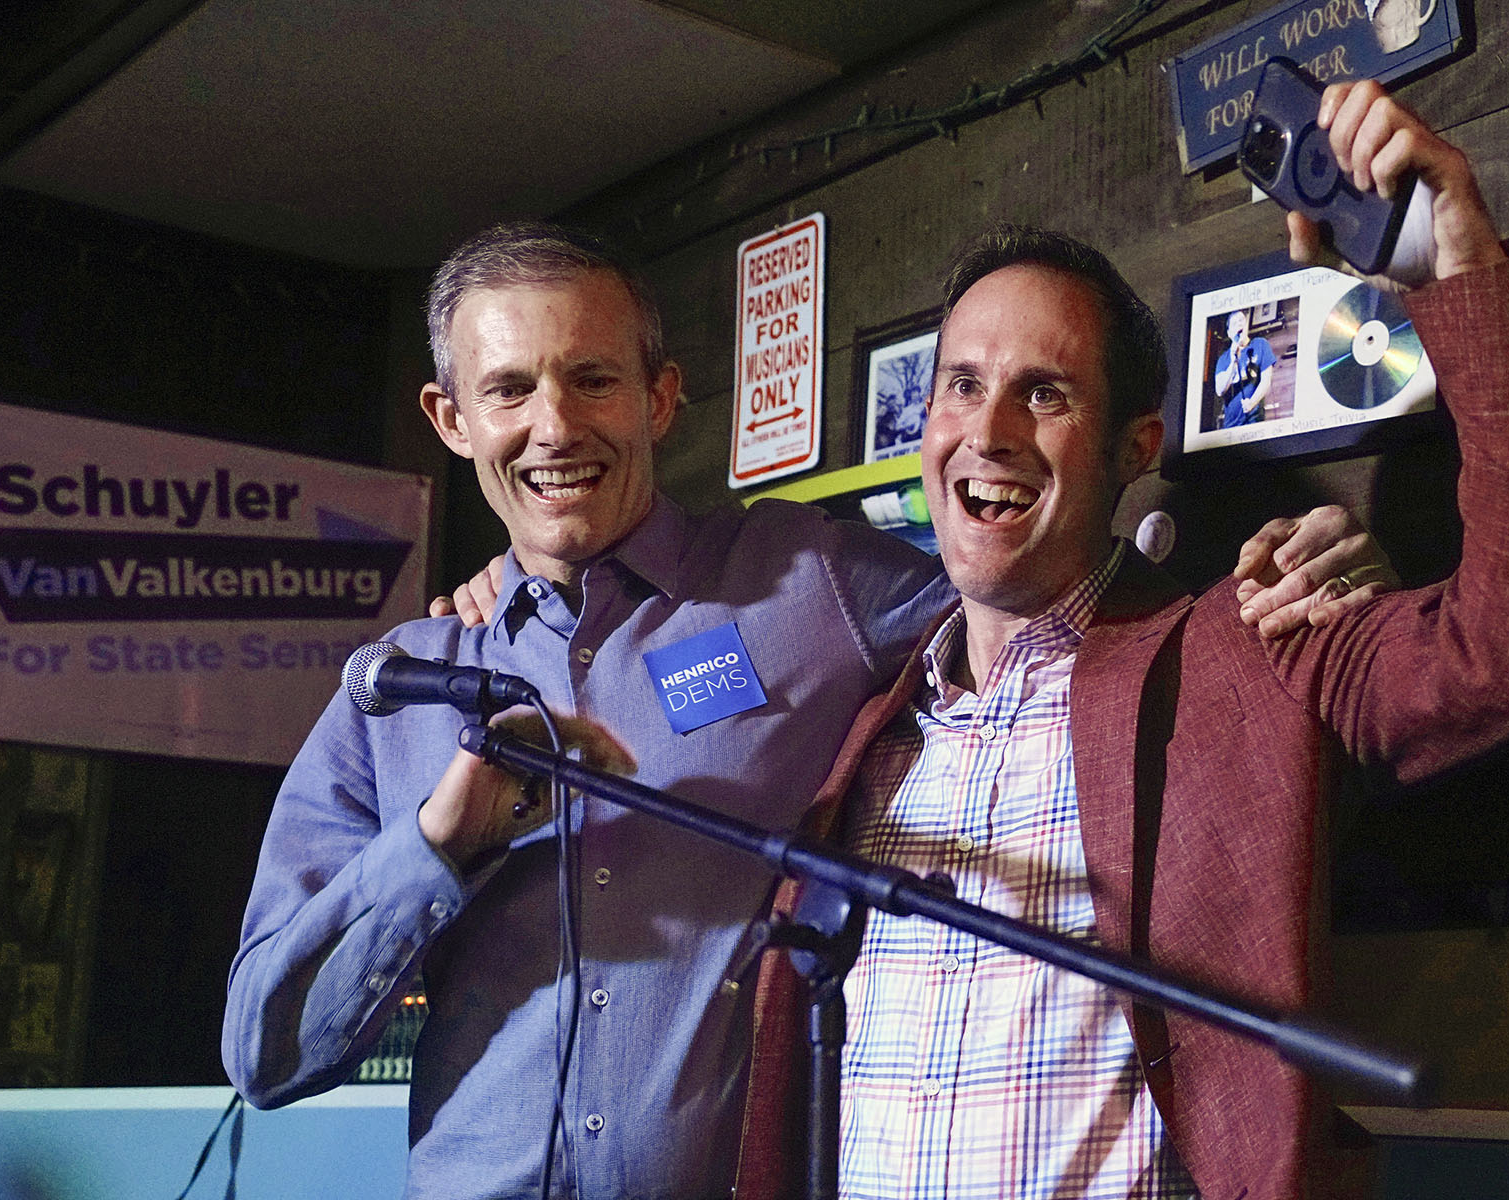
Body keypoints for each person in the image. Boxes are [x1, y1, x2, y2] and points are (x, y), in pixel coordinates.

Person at [223, 222, 1393, 1197]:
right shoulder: (400, 687)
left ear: (662, 397)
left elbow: (1033, 564)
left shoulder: (803, 585)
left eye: (593, 379)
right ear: (450, 420)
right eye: (509, 390)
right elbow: (266, 1053)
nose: (555, 425)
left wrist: (1281, 582)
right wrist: (440, 842)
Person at [734, 80, 1509, 1200]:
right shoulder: (874, 736)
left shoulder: (1248, 646)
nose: (989, 433)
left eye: (1044, 393)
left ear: (1132, 445)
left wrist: (1460, 270)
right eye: (962, 386)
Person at [1214, 307, 1275, 426]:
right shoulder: (1224, 359)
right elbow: (1220, 390)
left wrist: (1252, 403)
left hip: (1255, 420)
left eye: (1242, 320)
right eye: (1234, 323)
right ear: (1229, 333)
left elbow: (1266, 380)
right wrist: (1233, 361)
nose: (1239, 324)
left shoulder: (1260, 345)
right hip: (1231, 424)